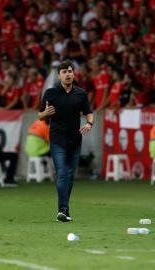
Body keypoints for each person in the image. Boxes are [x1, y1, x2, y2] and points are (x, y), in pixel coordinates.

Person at [38, 60, 93, 222]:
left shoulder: (81, 94)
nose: (68, 74)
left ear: (74, 74)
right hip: (57, 139)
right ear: (59, 75)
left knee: (69, 175)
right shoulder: (50, 93)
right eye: (64, 72)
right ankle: (63, 209)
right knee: (62, 172)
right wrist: (46, 113)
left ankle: (64, 209)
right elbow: (39, 115)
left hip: (75, 140)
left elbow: (89, 112)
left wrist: (89, 123)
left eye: (70, 71)